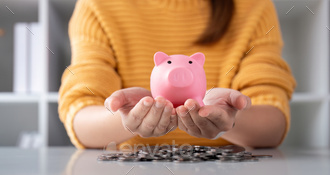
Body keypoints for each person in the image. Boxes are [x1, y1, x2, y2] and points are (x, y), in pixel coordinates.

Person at [58, 0, 296, 149]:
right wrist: (127, 118)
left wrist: (230, 119)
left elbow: (273, 124)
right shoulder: (98, 5)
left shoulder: (254, 6)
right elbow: (80, 116)